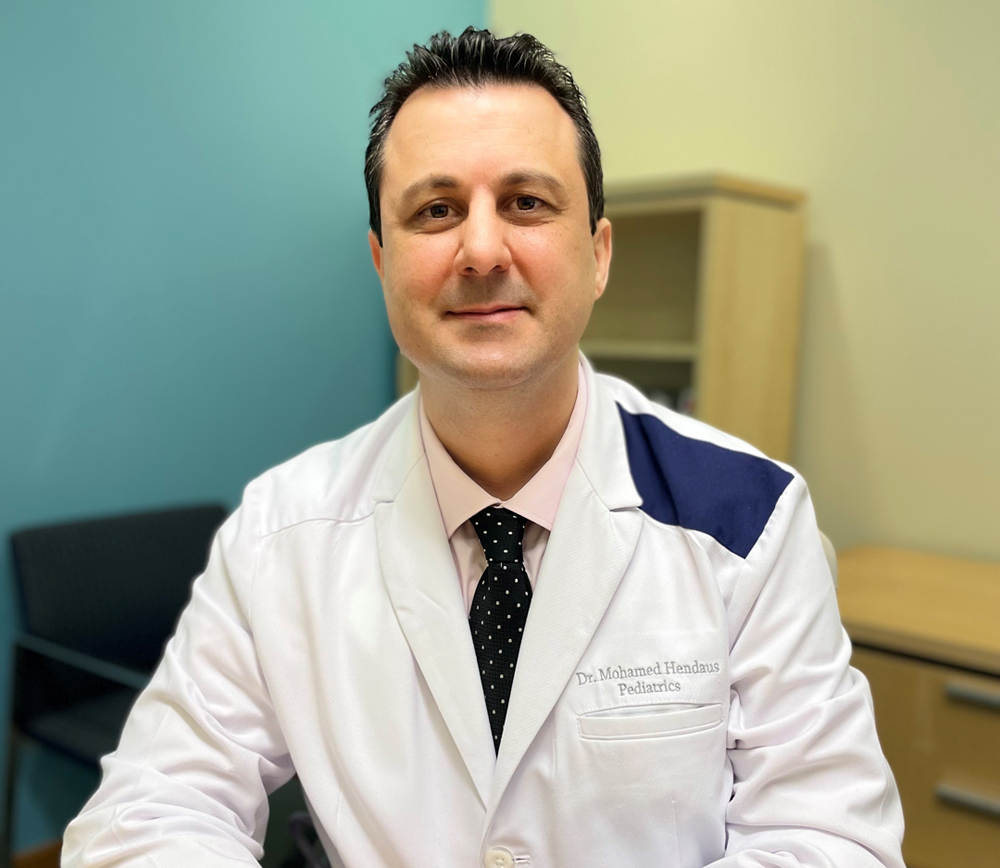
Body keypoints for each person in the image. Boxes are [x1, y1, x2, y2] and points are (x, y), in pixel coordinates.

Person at [63, 27, 905, 868]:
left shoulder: (750, 521)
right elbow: (147, 811)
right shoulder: (279, 531)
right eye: (436, 211)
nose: (481, 250)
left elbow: (830, 840)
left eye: (526, 203)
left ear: (598, 254)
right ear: (381, 261)